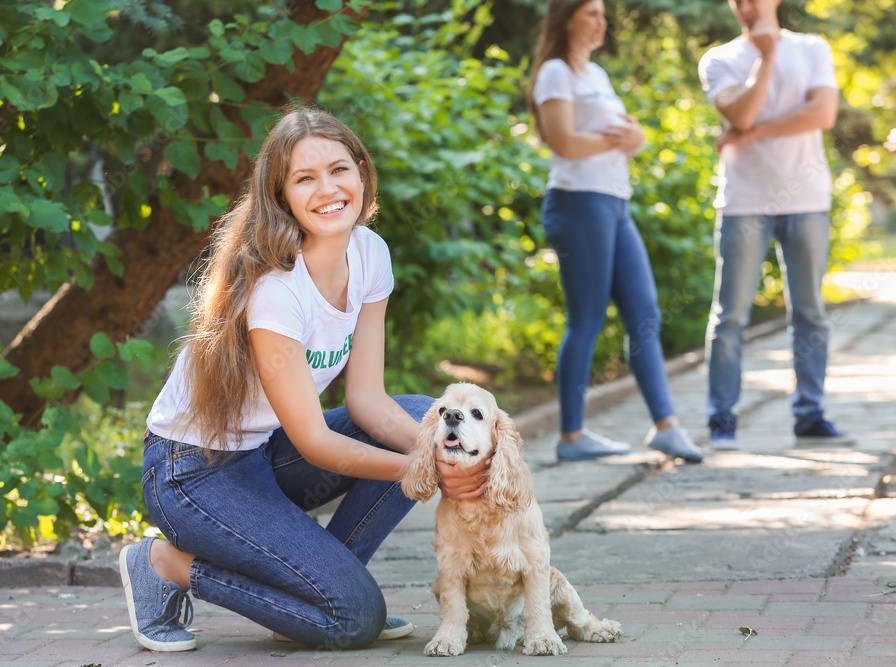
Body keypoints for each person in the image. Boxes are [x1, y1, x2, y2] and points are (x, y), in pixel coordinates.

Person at [119, 108, 489, 652]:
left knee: (419, 418)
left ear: (362, 173)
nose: (328, 189)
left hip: (265, 454)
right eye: (304, 178)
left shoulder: (369, 255)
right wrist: (427, 470)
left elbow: (367, 401)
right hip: (193, 474)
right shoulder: (276, 288)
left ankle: (316, 594)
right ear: (281, 195)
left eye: (340, 169)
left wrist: (454, 458)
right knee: (355, 620)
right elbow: (316, 443)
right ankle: (164, 564)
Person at [527, 0, 705, 463]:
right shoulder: (555, 72)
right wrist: (620, 139)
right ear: (566, 18)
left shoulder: (597, 76)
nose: (602, 22)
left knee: (645, 313)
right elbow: (562, 140)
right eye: (592, 13)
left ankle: (666, 425)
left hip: (615, 202)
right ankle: (571, 436)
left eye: (604, 14)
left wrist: (637, 138)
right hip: (578, 202)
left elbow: (627, 135)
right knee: (585, 319)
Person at [699, 0, 851, 448]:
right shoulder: (720, 59)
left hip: (807, 199)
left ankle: (810, 414)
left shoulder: (812, 48)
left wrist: (753, 133)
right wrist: (765, 58)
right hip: (744, 203)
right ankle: (721, 419)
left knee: (810, 313)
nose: (747, 6)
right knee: (731, 316)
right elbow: (740, 113)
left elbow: (822, 114)